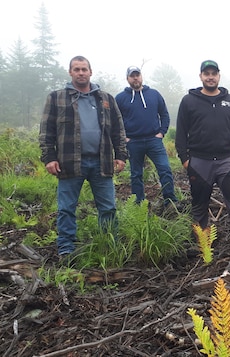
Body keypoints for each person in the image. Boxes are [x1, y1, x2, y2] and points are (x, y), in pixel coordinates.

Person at [39, 55, 128, 257]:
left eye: (84, 69)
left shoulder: (106, 99)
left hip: (101, 161)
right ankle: (66, 250)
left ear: (90, 72)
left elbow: (118, 129)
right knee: (66, 208)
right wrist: (49, 157)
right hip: (69, 162)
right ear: (70, 72)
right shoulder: (57, 97)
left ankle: (109, 245)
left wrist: (121, 155)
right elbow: (47, 131)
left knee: (108, 208)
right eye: (76, 69)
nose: (81, 73)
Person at [175, 60, 230, 249]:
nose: (210, 77)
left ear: (219, 76)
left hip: (226, 161)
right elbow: (181, 132)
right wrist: (185, 160)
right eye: (207, 74)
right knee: (199, 204)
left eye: (213, 73)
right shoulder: (189, 101)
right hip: (199, 162)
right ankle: (202, 244)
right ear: (201, 76)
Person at [115, 66, 178, 206]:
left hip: (153, 140)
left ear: (141, 76)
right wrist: (124, 138)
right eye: (132, 76)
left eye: (137, 75)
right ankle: (139, 203)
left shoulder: (154, 94)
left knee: (165, 169)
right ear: (127, 79)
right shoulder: (120, 98)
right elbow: (114, 121)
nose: (135, 78)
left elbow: (164, 115)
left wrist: (161, 132)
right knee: (136, 174)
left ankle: (170, 201)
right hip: (133, 142)